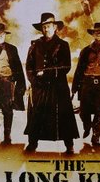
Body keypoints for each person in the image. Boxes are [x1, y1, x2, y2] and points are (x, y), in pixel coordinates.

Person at [24, 12, 78, 154]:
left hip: (58, 87)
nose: (46, 29)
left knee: (64, 115)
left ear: (55, 27)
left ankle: (69, 145)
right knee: (36, 115)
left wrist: (46, 73)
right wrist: (34, 81)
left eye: (49, 26)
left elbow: (66, 66)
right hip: (39, 87)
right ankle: (32, 144)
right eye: (44, 26)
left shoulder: (63, 45)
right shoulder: (35, 45)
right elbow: (29, 67)